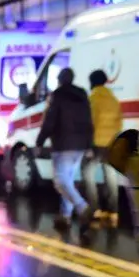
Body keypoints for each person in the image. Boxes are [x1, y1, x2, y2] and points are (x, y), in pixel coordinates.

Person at [35, 68, 95, 232]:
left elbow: (50, 121)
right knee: (68, 181)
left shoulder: (58, 95)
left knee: (61, 181)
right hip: (80, 145)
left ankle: (82, 207)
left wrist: (39, 142)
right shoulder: (82, 94)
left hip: (63, 144)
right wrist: (89, 145)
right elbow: (89, 121)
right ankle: (65, 216)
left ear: (60, 80)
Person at [81, 70, 122, 229]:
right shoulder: (113, 100)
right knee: (110, 176)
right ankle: (113, 211)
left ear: (92, 82)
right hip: (112, 143)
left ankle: (95, 208)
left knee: (87, 173)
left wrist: (88, 145)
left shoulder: (93, 99)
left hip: (96, 143)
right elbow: (119, 123)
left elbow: (89, 124)